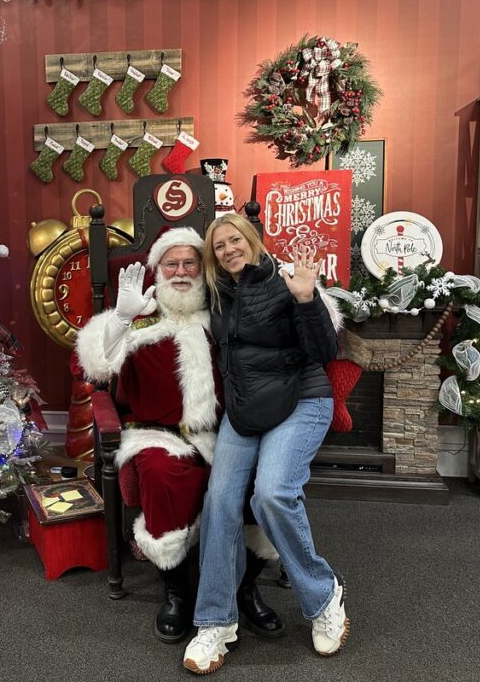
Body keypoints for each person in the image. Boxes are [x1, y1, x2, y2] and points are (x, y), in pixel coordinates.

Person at [75, 228, 281, 644]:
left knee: (262, 482)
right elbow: (95, 365)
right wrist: (119, 317)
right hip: (157, 435)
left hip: (226, 435)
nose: (182, 272)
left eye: (190, 263)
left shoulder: (226, 314)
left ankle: (244, 586)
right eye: (172, 264)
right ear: (158, 270)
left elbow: (293, 328)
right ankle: (178, 591)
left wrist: (283, 278)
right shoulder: (138, 319)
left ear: (203, 269)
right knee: (161, 475)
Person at [183, 213, 347, 675]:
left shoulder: (286, 281)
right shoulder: (218, 293)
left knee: (272, 494)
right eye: (219, 246)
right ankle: (215, 622)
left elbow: (324, 352)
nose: (229, 249)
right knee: (218, 502)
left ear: (252, 239)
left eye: (235, 240)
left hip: (300, 401)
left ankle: (322, 597)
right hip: (246, 411)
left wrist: (307, 300)